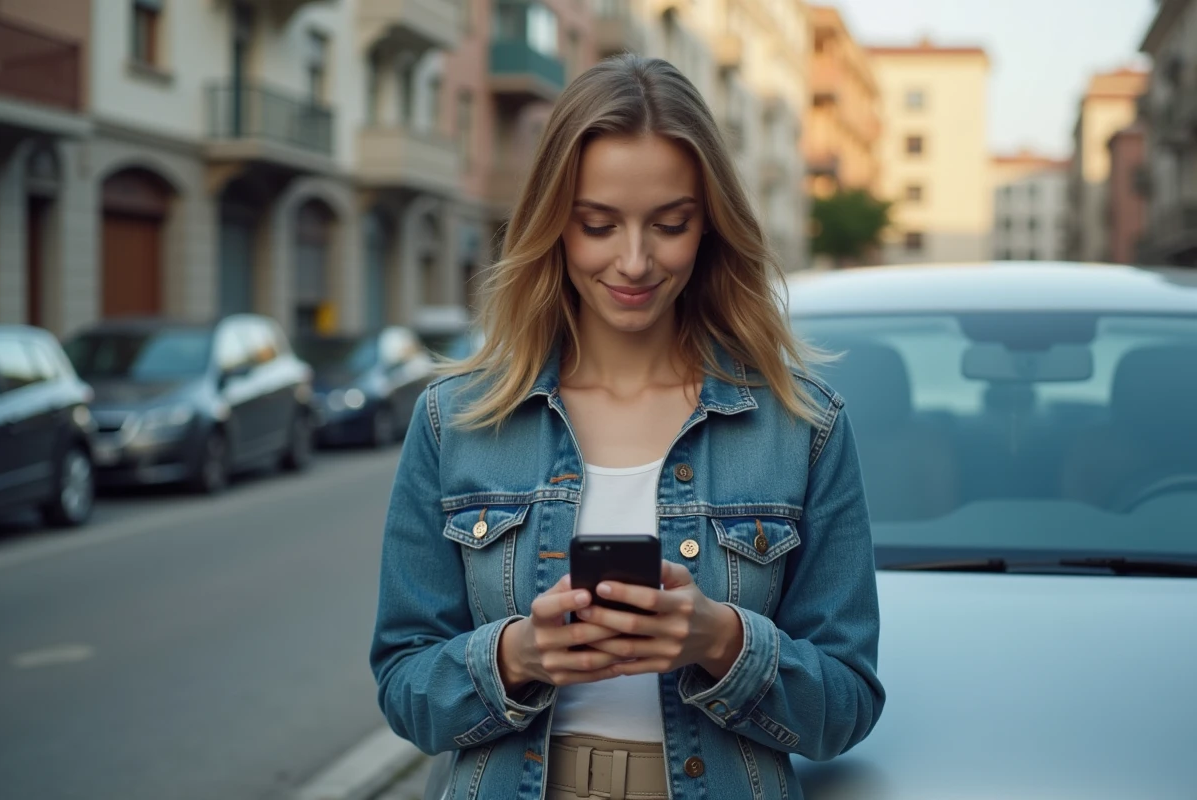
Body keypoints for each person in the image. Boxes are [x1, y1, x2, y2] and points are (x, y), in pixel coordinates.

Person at [371, 54, 884, 800]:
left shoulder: (802, 426)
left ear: (709, 226)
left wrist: (720, 640)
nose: (635, 261)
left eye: (669, 224)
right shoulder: (456, 419)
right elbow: (403, 688)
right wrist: (518, 653)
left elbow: (846, 708)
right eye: (598, 224)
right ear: (555, 225)